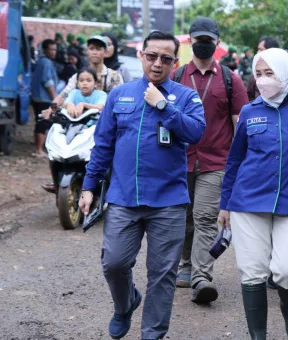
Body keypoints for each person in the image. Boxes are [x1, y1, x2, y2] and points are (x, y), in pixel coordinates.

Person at [78, 31, 206, 340]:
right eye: (152, 56)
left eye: (165, 59)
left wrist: (164, 106)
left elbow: (196, 132)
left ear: (176, 62)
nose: (158, 64)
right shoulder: (120, 95)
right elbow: (103, 145)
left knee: (162, 276)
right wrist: (89, 186)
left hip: (169, 202)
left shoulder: (186, 97)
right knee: (113, 263)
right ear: (141, 56)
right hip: (124, 198)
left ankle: (152, 334)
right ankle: (125, 305)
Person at [218, 48, 288, 340]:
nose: (263, 80)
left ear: (284, 73)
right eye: (258, 74)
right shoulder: (249, 111)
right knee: (252, 272)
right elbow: (234, 160)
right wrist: (225, 204)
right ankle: (258, 336)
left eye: (269, 73)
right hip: (248, 201)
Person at [173, 17, 249, 304]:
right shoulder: (177, 76)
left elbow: (239, 123)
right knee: (183, 217)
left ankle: (202, 276)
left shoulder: (231, 79)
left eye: (208, 40)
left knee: (205, 218)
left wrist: (241, 163)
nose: (203, 44)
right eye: (198, 39)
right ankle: (186, 264)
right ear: (189, 42)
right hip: (180, 159)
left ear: (217, 43)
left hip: (217, 161)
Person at [54, 36, 123, 106]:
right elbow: (63, 95)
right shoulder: (78, 76)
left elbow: (120, 100)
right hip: (79, 115)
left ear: (104, 52)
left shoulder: (114, 76)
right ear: (87, 51)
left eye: (98, 49)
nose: (94, 52)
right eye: (91, 48)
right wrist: (51, 108)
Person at [30, 39, 58, 157]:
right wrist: (55, 98)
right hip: (44, 98)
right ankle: (38, 150)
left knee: (41, 122)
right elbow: (47, 81)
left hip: (37, 97)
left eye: (55, 49)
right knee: (44, 123)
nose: (53, 52)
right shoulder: (46, 62)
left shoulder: (41, 61)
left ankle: (40, 148)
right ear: (45, 50)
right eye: (51, 49)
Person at [246, 36, 279, 101]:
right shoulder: (254, 74)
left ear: (270, 50)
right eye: (259, 74)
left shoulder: (283, 73)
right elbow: (250, 96)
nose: (258, 52)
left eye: (261, 49)